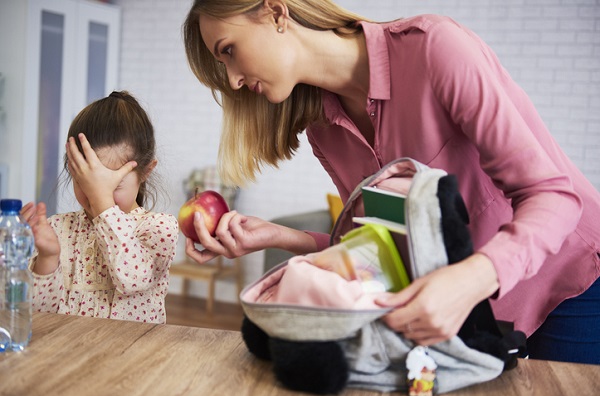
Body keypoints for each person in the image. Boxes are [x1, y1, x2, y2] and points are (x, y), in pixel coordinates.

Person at [182, 0, 600, 364]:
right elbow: (379, 249)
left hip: (571, 279)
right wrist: (278, 235)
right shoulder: (324, 131)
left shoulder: (435, 49)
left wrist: (471, 278)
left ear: (276, 12)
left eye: (229, 51)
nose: (234, 79)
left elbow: (553, 196)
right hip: (479, 306)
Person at [20, 91, 179, 324]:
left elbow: (132, 279)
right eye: (85, 182)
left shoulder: (159, 228)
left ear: (145, 172)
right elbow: (39, 312)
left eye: (111, 185)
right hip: (71, 352)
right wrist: (48, 257)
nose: (96, 195)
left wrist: (102, 202)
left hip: (133, 356)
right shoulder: (58, 229)